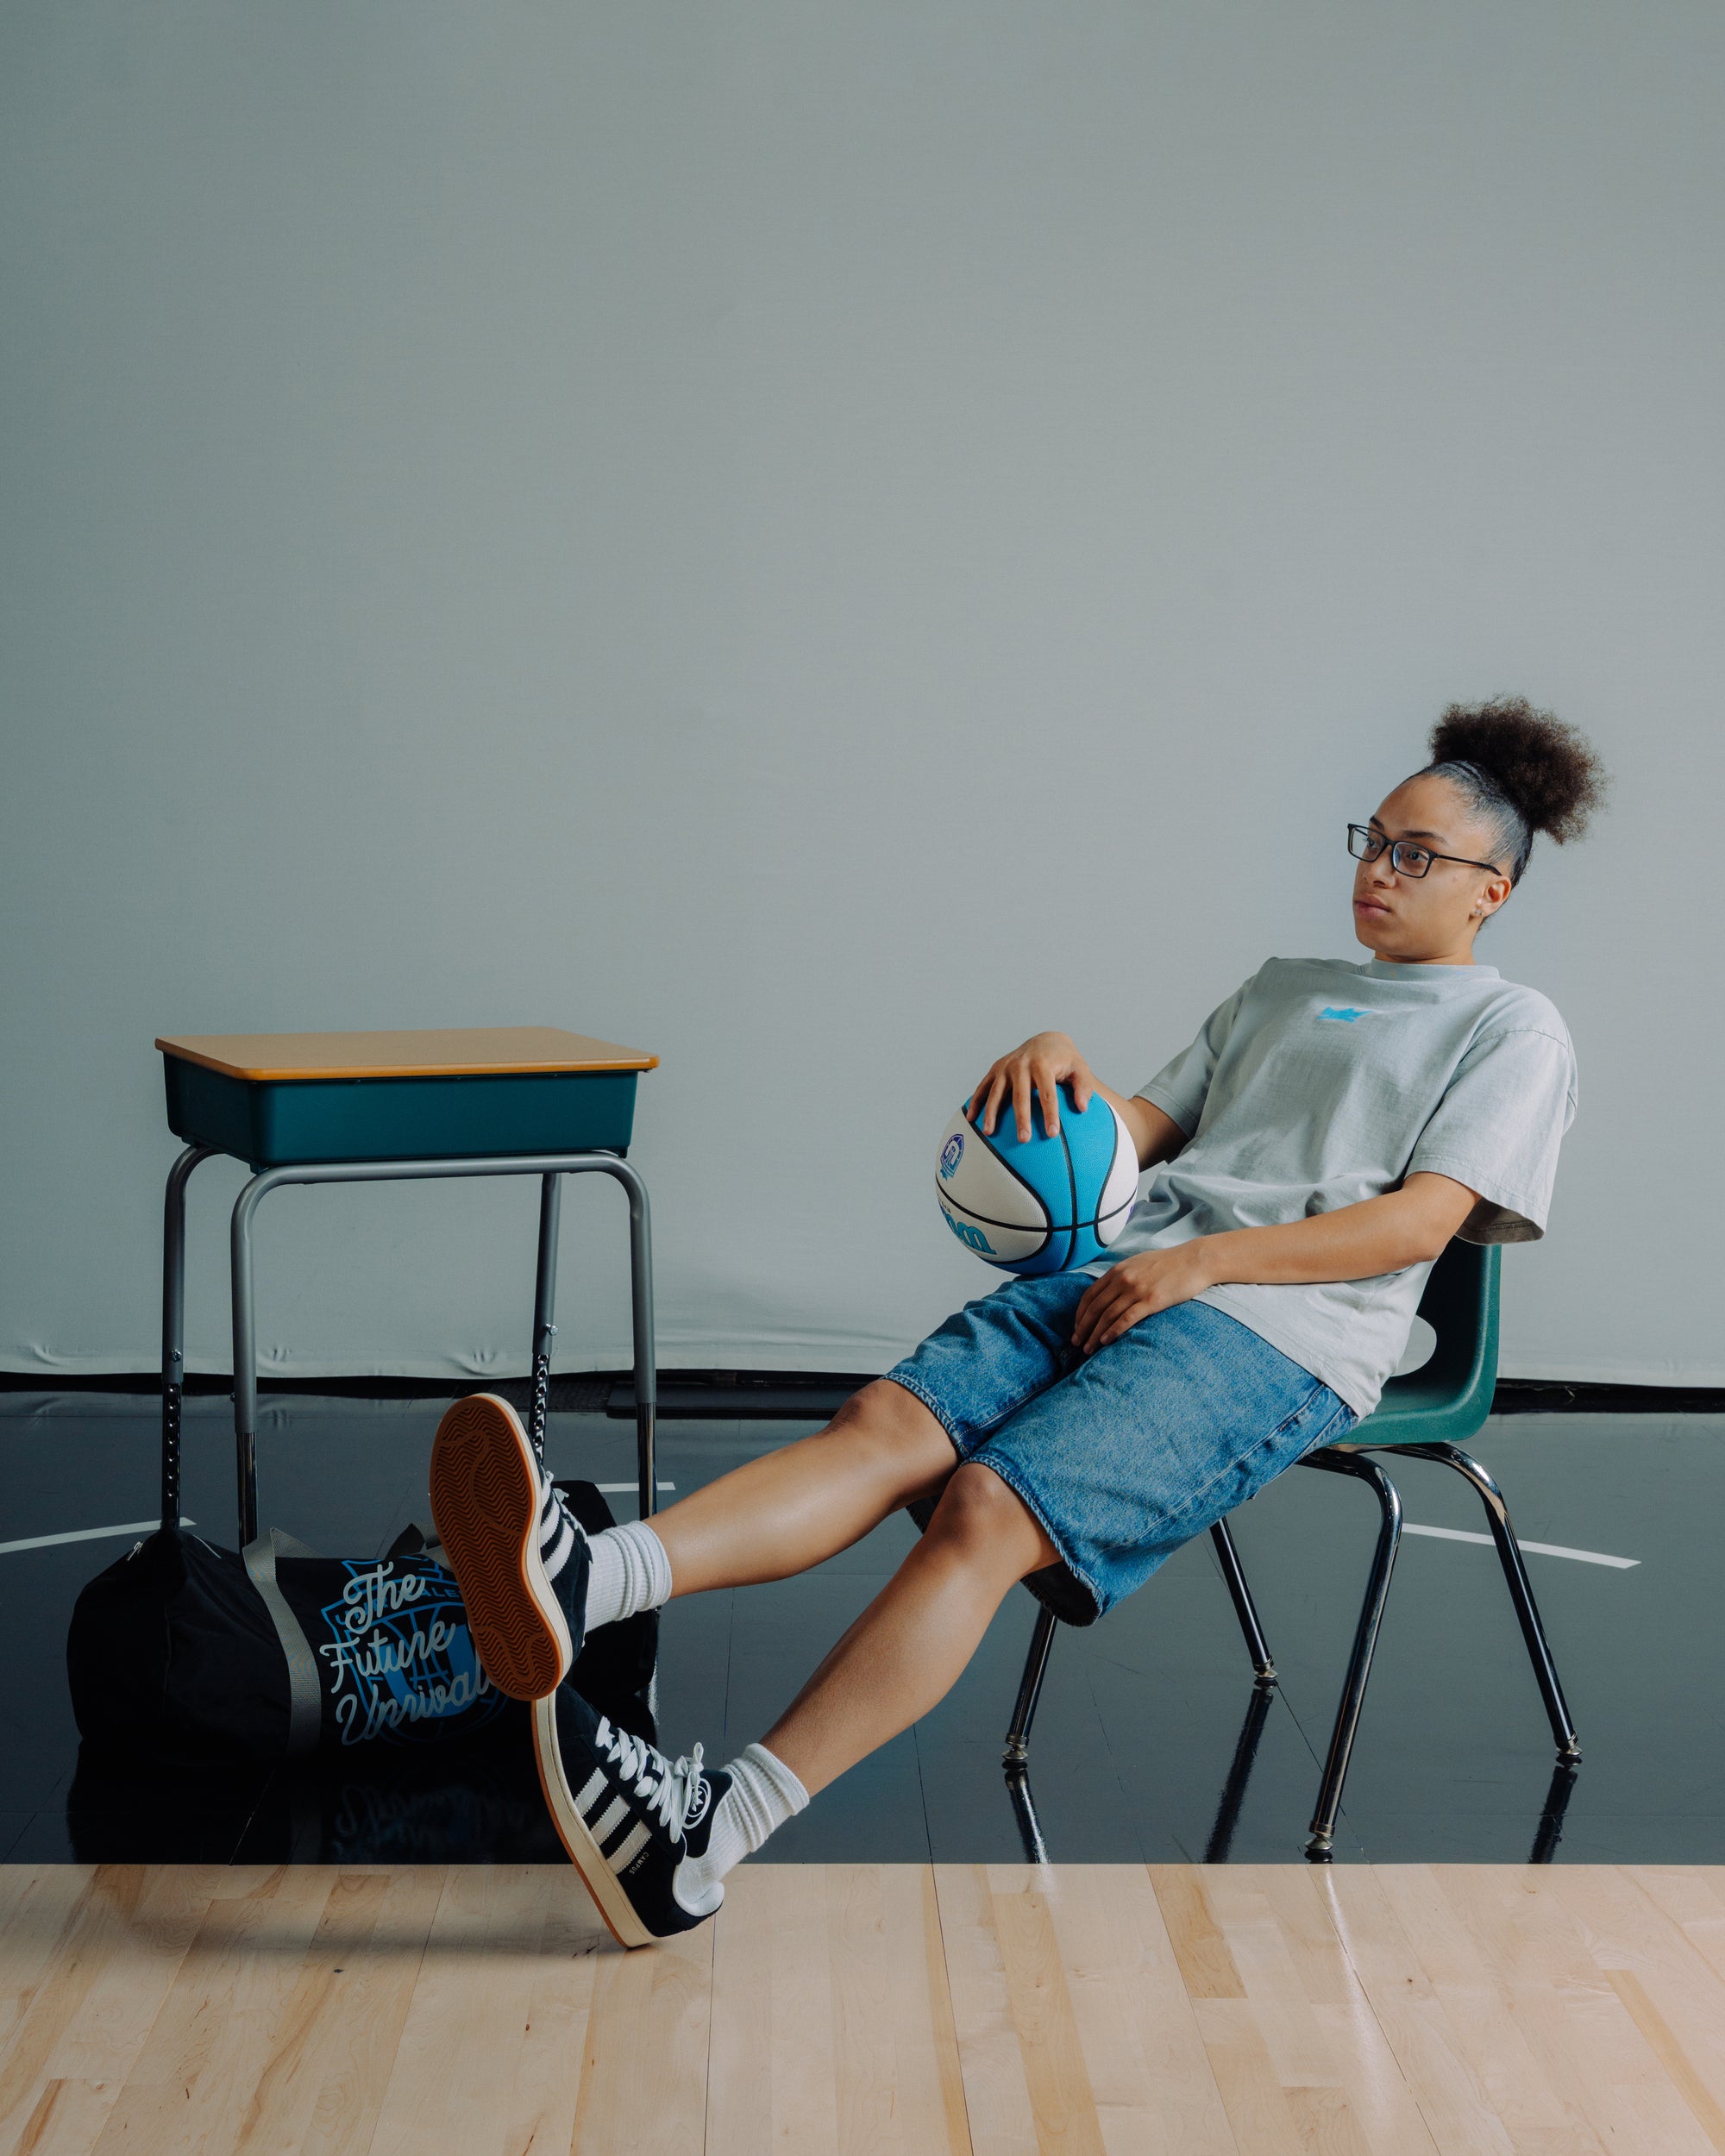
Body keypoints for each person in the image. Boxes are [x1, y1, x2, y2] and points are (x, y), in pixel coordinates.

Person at [429, 695, 1606, 1948]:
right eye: (1373, 839)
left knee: (987, 1511)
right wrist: (1057, 1061)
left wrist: (1203, 1265)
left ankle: (704, 1843)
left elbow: (1421, 1225)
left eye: (1417, 855)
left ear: (1495, 891)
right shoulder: (1283, 988)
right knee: (885, 1424)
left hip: (1282, 1336)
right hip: (1129, 1271)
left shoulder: (1512, 1030)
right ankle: (585, 1580)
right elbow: (1130, 1144)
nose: (1380, 870)